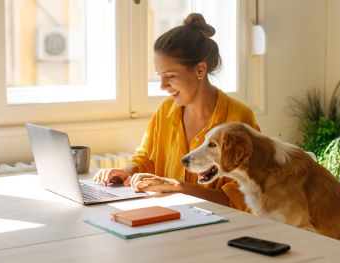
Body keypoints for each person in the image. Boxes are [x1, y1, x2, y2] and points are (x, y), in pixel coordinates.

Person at [92, 13, 259, 211]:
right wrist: (126, 172)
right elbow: (146, 159)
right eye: (160, 76)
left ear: (200, 70)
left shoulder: (239, 120)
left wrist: (178, 188)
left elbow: (241, 199)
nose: (163, 85)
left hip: (218, 228)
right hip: (168, 218)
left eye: (170, 76)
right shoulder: (166, 111)